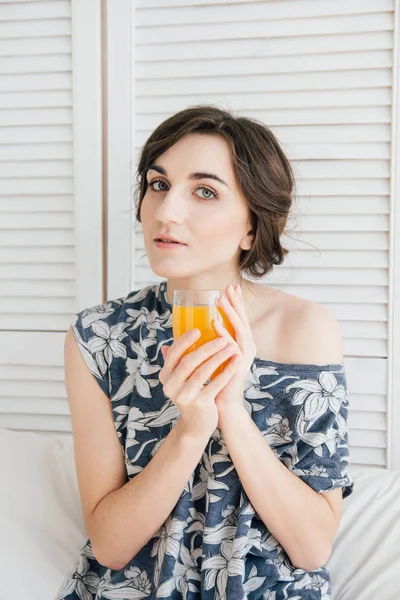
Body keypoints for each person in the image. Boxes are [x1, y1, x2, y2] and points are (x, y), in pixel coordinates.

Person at [57, 105, 354, 600]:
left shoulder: (305, 330)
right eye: (158, 184)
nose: (166, 211)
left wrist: (231, 413)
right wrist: (191, 428)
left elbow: (311, 548)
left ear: (252, 229)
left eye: (205, 191)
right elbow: (110, 546)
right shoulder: (99, 336)